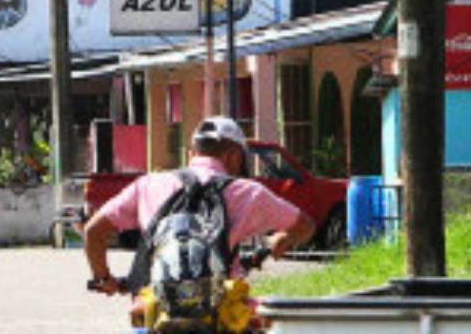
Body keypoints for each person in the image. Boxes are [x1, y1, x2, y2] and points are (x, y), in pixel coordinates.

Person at [84, 116, 315, 299]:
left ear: (191, 154)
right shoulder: (248, 192)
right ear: (234, 156)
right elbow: (306, 225)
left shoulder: (148, 184)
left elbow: (93, 231)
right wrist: (283, 239)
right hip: (218, 309)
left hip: (155, 306)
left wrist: (104, 279)